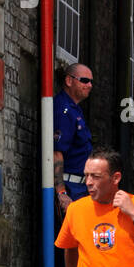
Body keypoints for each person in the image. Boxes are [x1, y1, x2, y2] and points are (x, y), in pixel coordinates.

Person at [54, 63, 94, 211]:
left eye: (91, 81)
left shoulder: (75, 110)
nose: (89, 85)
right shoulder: (63, 110)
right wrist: (61, 192)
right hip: (69, 188)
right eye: (84, 80)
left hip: (79, 188)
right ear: (69, 81)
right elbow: (56, 153)